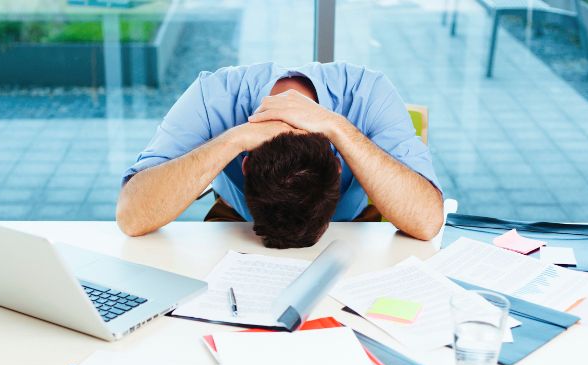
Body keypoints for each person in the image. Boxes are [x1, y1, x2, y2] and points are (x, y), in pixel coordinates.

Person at [116, 62, 443, 248]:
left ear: (340, 164)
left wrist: (338, 128)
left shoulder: (369, 91)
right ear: (245, 166)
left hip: (351, 221)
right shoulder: (212, 95)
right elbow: (131, 217)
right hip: (244, 221)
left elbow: (428, 222)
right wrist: (235, 138)